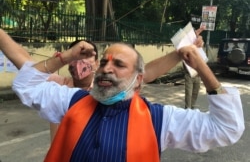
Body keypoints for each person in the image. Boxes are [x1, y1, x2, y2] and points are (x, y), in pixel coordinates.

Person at [12, 41, 244, 162]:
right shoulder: (72, 100)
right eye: (103, 63)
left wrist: (201, 66)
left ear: (138, 79)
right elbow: (25, 85)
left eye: (119, 65)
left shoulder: (159, 120)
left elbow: (226, 128)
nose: (106, 69)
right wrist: (66, 57)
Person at [0, 28, 205, 141]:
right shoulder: (59, 88)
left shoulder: (108, 89)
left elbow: (147, 71)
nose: (82, 62)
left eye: (89, 56)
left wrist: (180, 52)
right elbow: (25, 63)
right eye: (78, 56)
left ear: (98, 63)